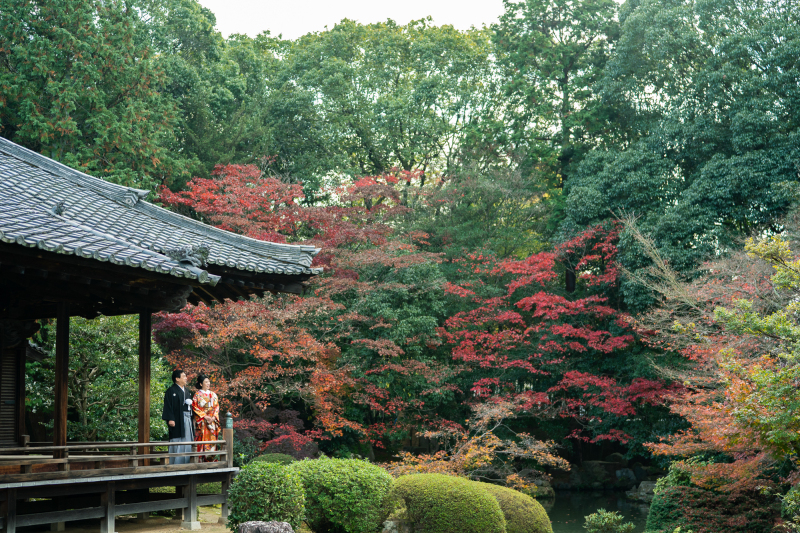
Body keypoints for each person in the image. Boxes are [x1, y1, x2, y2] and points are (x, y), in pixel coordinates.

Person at [162, 369, 194, 465]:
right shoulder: (171, 391)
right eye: (183, 376)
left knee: (188, 439)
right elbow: (168, 405)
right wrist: (170, 418)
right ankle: (176, 464)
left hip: (187, 418)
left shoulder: (187, 392)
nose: (186, 378)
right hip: (177, 419)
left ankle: (187, 462)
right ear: (177, 379)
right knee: (178, 440)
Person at [192, 374, 220, 462]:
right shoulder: (197, 395)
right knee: (201, 439)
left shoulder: (214, 395)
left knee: (212, 440)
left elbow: (216, 407)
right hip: (203, 422)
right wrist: (205, 416)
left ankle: (210, 459)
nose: (208, 383)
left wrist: (214, 417)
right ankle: (200, 460)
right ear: (201, 384)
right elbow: (195, 407)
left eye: (209, 381)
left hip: (212, 422)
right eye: (206, 382)